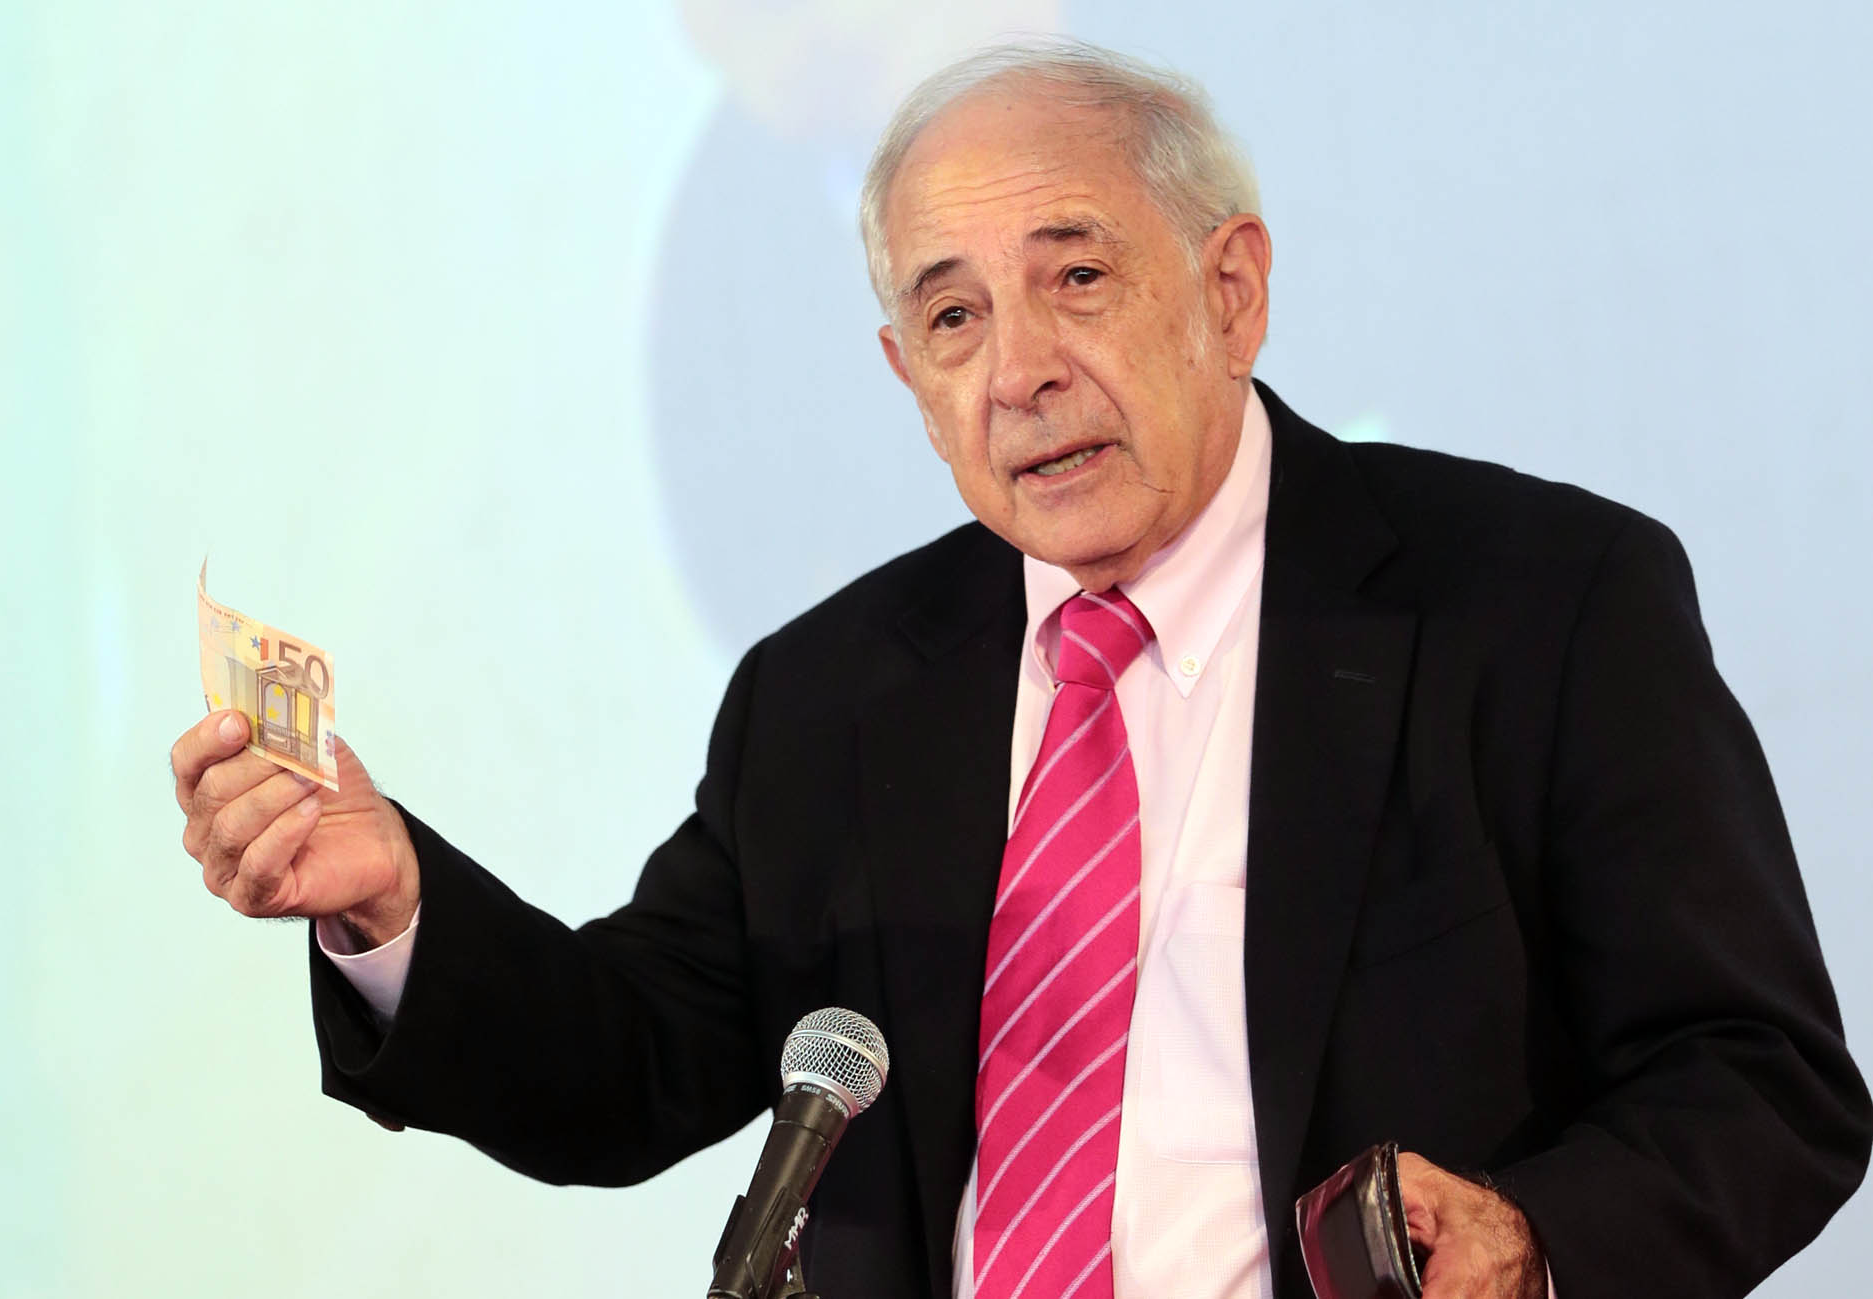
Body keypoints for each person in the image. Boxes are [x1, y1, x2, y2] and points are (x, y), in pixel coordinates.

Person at [170, 40, 1870, 1299]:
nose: (1020, 372)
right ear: (906, 379)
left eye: (1078, 278)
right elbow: (623, 1071)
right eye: (954, 318)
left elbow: (1761, 1080)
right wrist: (393, 908)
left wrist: (1532, 1239)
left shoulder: (1535, 602)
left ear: (1231, 291)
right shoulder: (829, 696)